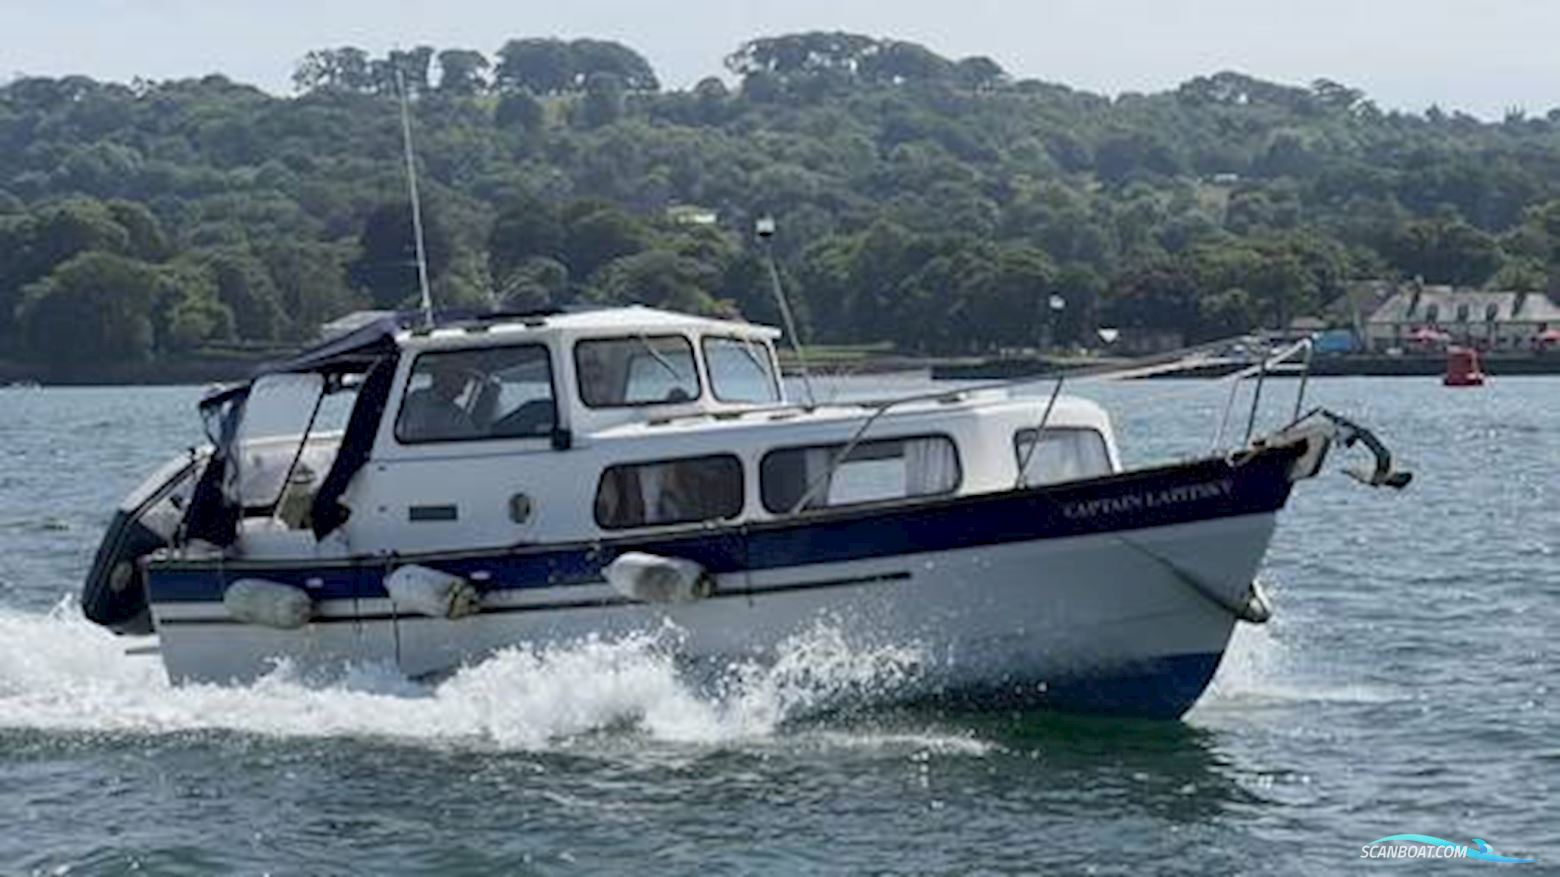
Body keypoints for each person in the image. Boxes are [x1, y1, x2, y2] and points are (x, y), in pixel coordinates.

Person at [399, 363, 478, 440]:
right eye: (462, 379)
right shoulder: (414, 400)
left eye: (465, 383)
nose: (462, 391)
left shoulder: (458, 417)